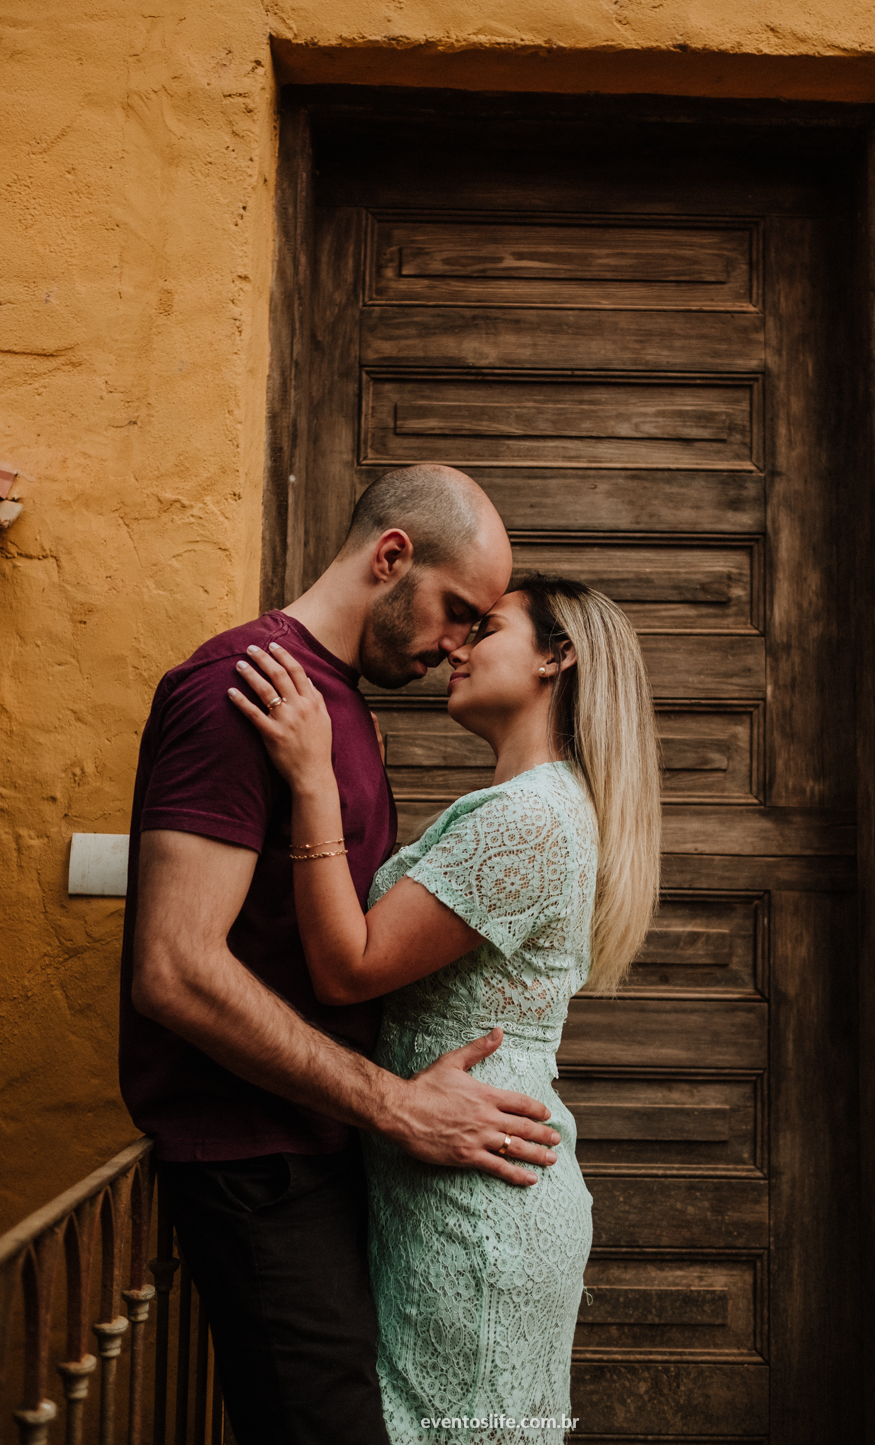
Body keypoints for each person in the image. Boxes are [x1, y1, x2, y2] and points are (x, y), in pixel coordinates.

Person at [120, 466, 564, 1445]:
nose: (458, 644)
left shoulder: (336, 710)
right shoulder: (240, 687)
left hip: (319, 1151)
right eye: (457, 612)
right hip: (254, 1164)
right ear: (391, 556)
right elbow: (173, 966)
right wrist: (396, 1104)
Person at [228, 571, 661, 1445]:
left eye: (487, 628)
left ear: (557, 658)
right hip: (459, 1184)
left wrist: (314, 783)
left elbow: (348, 969)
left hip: (476, 1214)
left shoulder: (529, 819)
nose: (456, 646)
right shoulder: (528, 806)